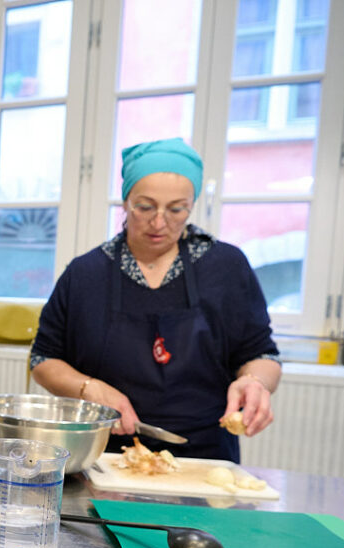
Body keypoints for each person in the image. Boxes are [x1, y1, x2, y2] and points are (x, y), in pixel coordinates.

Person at [30, 137, 281, 462]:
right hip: (105, 457)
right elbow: (43, 360)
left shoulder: (226, 267)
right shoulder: (86, 274)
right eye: (145, 206)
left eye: (177, 209)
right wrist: (89, 388)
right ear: (125, 201)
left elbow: (262, 353)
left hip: (205, 459)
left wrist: (254, 382)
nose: (160, 222)